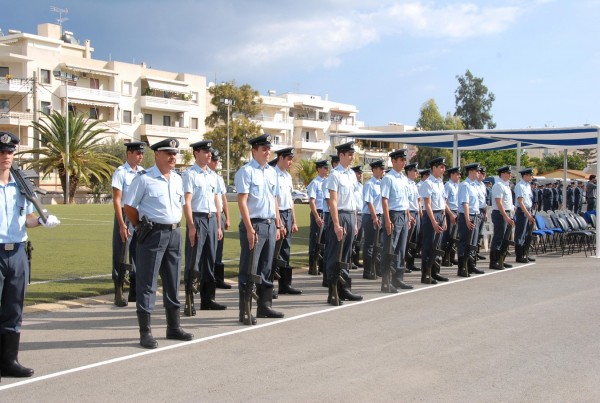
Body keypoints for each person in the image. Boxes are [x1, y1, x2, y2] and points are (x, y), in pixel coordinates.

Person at [0, 131, 60, 379]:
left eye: (10, 152)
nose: (6, 156)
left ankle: (9, 361)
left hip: (17, 252)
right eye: (2, 152)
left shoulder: (21, 185)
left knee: (14, 308)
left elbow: (25, 219)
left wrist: (43, 221)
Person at [124, 138, 193, 349]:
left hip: (174, 233)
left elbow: (180, 205)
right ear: (157, 155)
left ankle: (173, 327)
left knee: (173, 281)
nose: (173, 157)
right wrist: (138, 227)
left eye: (175, 153)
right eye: (168, 153)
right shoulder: (144, 179)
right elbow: (129, 207)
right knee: (147, 283)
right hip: (152, 234)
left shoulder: (178, 179)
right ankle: (145, 332)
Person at [234, 134, 284, 324]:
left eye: (268, 149)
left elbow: (274, 200)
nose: (267, 152)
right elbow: (242, 201)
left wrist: (278, 224)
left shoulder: (271, 172)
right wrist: (248, 228)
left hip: (270, 224)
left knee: (266, 267)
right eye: (263, 149)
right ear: (254, 150)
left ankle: (265, 306)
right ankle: (245, 309)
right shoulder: (246, 172)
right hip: (254, 224)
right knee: (249, 268)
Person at [182, 140, 225, 316]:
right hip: (198, 218)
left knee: (210, 261)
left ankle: (208, 299)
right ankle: (189, 301)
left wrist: (219, 225)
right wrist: (191, 226)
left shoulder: (212, 175)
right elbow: (187, 201)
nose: (209, 155)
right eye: (205, 151)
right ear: (196, 153)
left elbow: (216, 200)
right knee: (194, 261)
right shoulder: (190, 174)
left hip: (212, 219)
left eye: (210, 152)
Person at [325, 142, 363, 304]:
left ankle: (344, 288)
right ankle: (333, 291)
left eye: (352, 154)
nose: (352, 157)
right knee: (335, 255)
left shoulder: (351, 175)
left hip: (349, 215)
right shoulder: (335, 175)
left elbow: (353, 200)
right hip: (339, 215)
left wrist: (354, 222)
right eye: (349, 154)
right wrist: (336, 224)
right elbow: (332, 201)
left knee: (346, 255)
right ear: (341, 155)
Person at [111, 141, 145, 307]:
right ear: (129, 154)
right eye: (138, 153)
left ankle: (134, 292)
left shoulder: (142, 173)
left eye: (142, 154)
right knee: (121, 255)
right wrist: (121, 224)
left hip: (138, 216)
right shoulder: (121, 172)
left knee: (138, 254)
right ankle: (118, 292)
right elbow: (117, 200)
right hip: (125, 216)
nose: (140, 157)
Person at [380, 149, 414, 292]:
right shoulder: (389, 178)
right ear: (393, 161)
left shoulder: (403, 179)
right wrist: (387, 220)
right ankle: (386, 281)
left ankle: (398, 278)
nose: (403, 162)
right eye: (401, 160)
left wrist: (408, 215)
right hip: (393, 215)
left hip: (403, 214)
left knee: (400, 249)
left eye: (404, 160)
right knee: (390, 249)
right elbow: (385, 200)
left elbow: (405, 199)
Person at [272, 147, 302, 295]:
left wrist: (294, 221)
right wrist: (279, 222)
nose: (291, 162)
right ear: (281, 158)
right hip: (278, 214)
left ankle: (285, 284)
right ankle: (268, 286)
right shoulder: (273, 174)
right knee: (274, 251)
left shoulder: (287, 177)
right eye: (289, 159)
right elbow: (274, 200)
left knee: (285, 251)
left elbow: (290, 200)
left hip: (288, 213)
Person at [419, 157, 451, 284]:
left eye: (444, 167)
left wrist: (444, 219)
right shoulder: (428, 183)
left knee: (437, 245)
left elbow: (443, 202)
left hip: (439, 214)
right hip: (430, 215)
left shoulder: (440, 183)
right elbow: (427, 204)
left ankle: (435, 272)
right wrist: (433, 222)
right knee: (429, 245)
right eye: (441, 167)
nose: (443, 169)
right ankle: (426, 273)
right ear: (434, 168)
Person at [208, 149, 232, 290]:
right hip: (209, 214)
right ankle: (206, 279)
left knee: (219, 249)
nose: (216, 163)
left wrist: (227, 217)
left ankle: (218, 279)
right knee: (208, 249)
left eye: (217, 160)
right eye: (214, 160)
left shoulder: (218, 178)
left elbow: (223, 198)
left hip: (220, 214)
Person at [361, 160, 384, 280]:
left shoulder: (381, 184)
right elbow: (369, 202)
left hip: (380, 215)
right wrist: (375, 217)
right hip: (370, 217)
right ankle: (368, 271)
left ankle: (377, 268)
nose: (382, 171)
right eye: (380, 169)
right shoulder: (369, 184)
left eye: (383, 169)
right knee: (369, 245)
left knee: (378, 245)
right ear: (374, 170)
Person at [456, 163, 481, 277]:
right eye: (477, 171)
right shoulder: (465, 185)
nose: (478, 173)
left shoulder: (474, 185)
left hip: (475, 215)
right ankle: (462, 268)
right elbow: (465, 203)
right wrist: (467, 219)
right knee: (465, 242)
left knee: (473, 242)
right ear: (471, 171)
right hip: (467, 215)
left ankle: (471, 265)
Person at [488, 166, 515, 271]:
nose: (510, 175)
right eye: (508, 173)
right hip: (500, 214)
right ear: (503, 173)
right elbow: (499, 202)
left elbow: (508, 202)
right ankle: (494, 261)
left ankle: (501, 260)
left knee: (505, 239)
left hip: (507, 213)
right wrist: (505, 216)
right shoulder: (498, 185)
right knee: (498, 238)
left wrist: (511, 213)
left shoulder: (506, 185)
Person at [306, 160, 329, 275]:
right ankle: (312, 266)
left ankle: (321, 266)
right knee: (315, 241)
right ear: (319, 169)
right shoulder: (315, 183)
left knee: (324, 241)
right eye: (325, 167)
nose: (327, 170)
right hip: (318, 213)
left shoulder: (326, 182)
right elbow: (312, 201)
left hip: (325, 212)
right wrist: (316, 216)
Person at [514, 168, 536, 263]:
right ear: (525, 175)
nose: (532, 177)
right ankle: (519, 255)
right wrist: (528, 215)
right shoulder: (520, 186)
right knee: (520, 234)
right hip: (522, 211)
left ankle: (525, 253)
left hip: (528, 210)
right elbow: (521, 202)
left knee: (527, 233)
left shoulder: (527, 185)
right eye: (531, 175)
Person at [441, 166, 460, 267]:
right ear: (452, 174)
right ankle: (445, 258)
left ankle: (451, 257)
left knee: (454, 237)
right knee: (448, 236)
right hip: (450, 212)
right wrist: (451, 214)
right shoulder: (448, 185)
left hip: (456, 211)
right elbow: (445, 202)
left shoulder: (457, 186)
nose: (459, 176)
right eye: (457, 174)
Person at [405, 162, 421, 273]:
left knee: (414, 240)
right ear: (409, 171)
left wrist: (419, 211)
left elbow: (418, 199)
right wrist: (409, 215)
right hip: (409, 213)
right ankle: (404, 263)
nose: (417, 173)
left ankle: (411, 263)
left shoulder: (414, 184)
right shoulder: (405, 184)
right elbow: (406, 201)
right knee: (407, 240)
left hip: (416, 213)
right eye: (415, 171)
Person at [351, 165, 364, 270]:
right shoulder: (352, 186)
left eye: (361, 173)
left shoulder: (361, 186)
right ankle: (350, 260)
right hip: (355, 213)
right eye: (358, 173)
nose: (360, 175)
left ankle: (356, 259)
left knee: (358, 240)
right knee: (353, 239)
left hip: (362, 214)